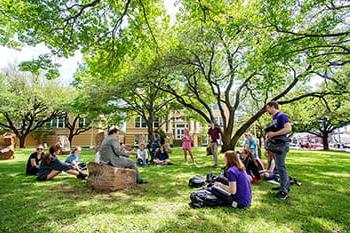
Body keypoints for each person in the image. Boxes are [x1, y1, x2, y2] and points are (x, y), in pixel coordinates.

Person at [265, 101, 292, 200]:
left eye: (268, 108)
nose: (267, 110)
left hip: (281, 145)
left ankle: (284, 191)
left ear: (273, 107)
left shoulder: (282, 115)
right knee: (278, 166)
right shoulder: (274, 118)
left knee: (281, 167)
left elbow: (288, 128)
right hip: (275, 145)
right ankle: (283, 186)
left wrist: (274, 134)